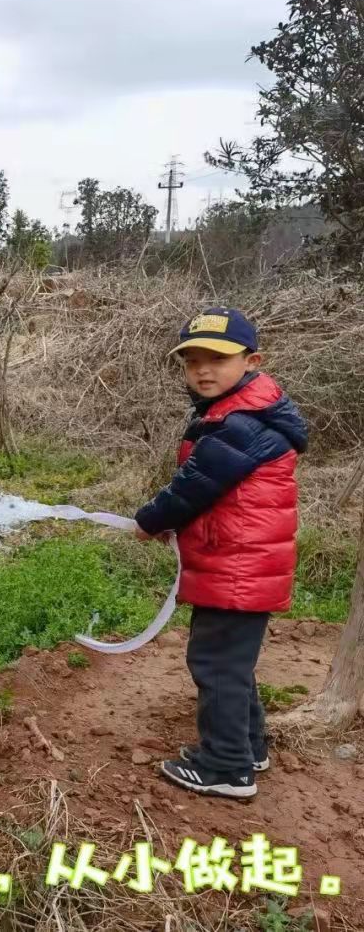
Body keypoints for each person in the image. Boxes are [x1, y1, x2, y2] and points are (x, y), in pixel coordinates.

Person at [134, 308, 308, 799]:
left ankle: (227, 768)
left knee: (214, 664)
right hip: (240, 563)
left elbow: (194, 486)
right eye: (192, 361)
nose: (203, 370)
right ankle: (248, 747)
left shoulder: (242, 424)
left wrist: (152, 520)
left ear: (252, 360)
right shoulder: (244, 411)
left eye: (218, 359)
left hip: (238, 568)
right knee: (232, 663)